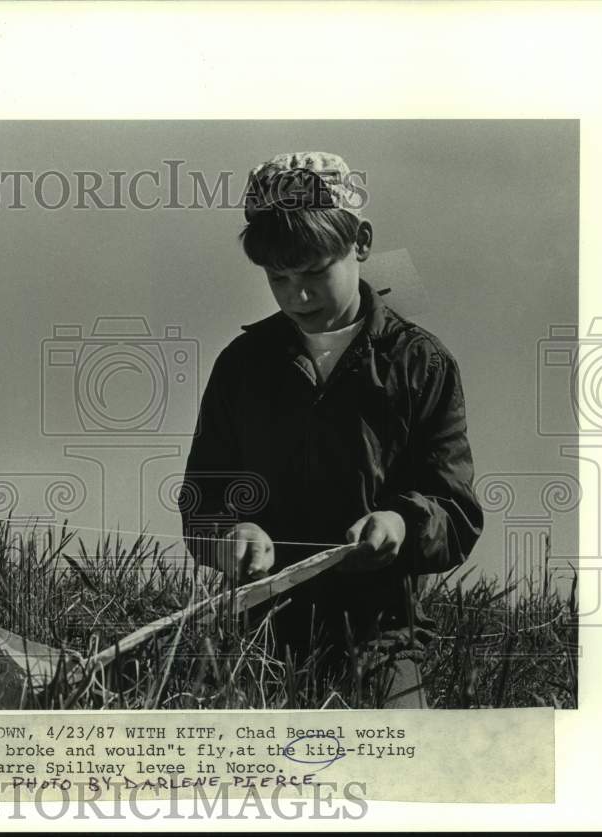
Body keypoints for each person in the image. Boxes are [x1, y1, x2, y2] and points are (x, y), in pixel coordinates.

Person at [179, 151, 484, 708]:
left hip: (384, 637)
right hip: (257, 633)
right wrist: (230, 537)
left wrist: (400, 523)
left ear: (361, 242)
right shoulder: (241, 366)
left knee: (400, 758)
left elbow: (456, 513)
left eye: (316, 272)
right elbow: (202, 500)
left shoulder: (421, 365)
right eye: (279, 277)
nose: (298, 295)